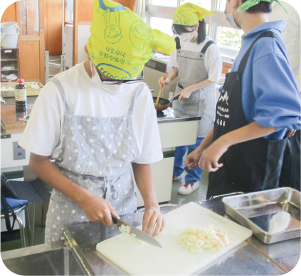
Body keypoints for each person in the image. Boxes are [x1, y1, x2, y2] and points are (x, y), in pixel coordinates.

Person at [18, 0, 176, 243]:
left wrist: (152, 204)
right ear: (89, 51)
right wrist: (83, 198)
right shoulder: (59, 90)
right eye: (112, 79)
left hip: (124, 211)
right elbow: (37, 161)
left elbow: (141, 160)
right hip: (71, 213)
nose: (121, 86)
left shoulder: (140, 93)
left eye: (129, 78)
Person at [186, 0, 301, 199]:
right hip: (229, 168)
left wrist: (222, 143)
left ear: (238, 3)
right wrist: (204, 146)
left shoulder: (267, 45)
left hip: (251, 175)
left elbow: (282, 117)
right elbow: (228, 111)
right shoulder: (251, 42)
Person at [158, 3, 222, 195]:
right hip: (181, 98)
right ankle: (176, 172)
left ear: (196, 26)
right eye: (177, 31)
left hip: (201, 101)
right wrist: (168, 79)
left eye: (183, 30)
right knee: (179, 139)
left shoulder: (210, 47)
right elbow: (177, 67)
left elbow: (214, 78)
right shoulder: (179, 42)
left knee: (196, 141)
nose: (180, 34)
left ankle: (192, 180)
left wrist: (192, 88)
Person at [269, 0, 301, 191]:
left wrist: (295, 112)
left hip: (292, 108)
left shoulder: (290, 12)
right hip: (273, 105)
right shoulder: (271, 8)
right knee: (273, 172)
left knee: (290, 172)